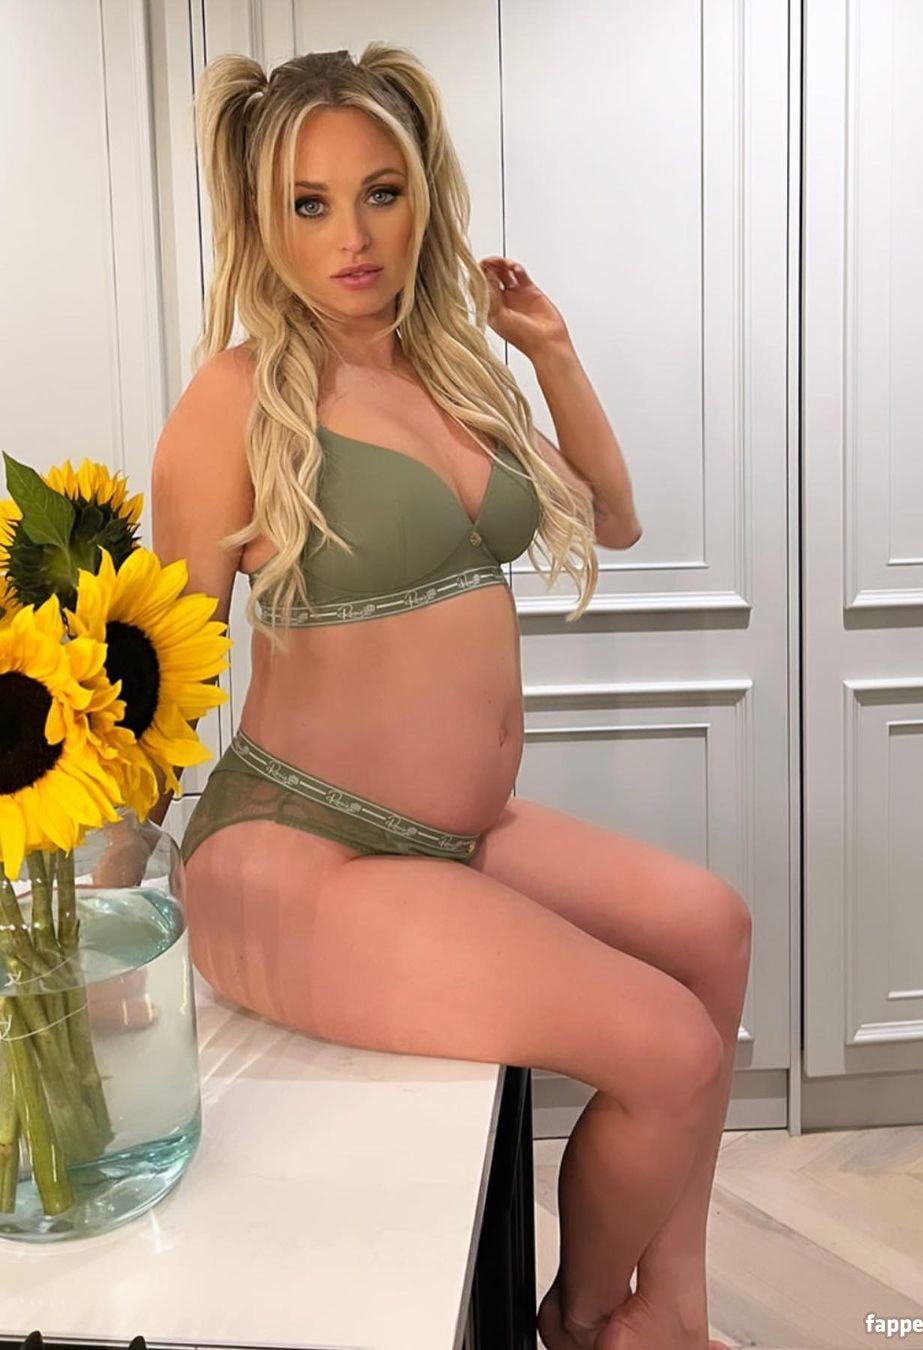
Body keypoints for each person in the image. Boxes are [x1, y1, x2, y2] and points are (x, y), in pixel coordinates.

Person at [148, 43, 750, 1350]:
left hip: (452, 832)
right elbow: (156, 682)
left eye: (381, 192)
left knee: (714, 928)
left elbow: (616, 517)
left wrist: (554, 352)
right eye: (310, 203)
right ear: (261, 217)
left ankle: (673, 1306)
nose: (353, 237)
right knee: (671, 1050)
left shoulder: (451, 370)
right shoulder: (237, 398)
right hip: (296, 849)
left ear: (422, 195)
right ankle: (579, 1324)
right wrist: (86, 930)